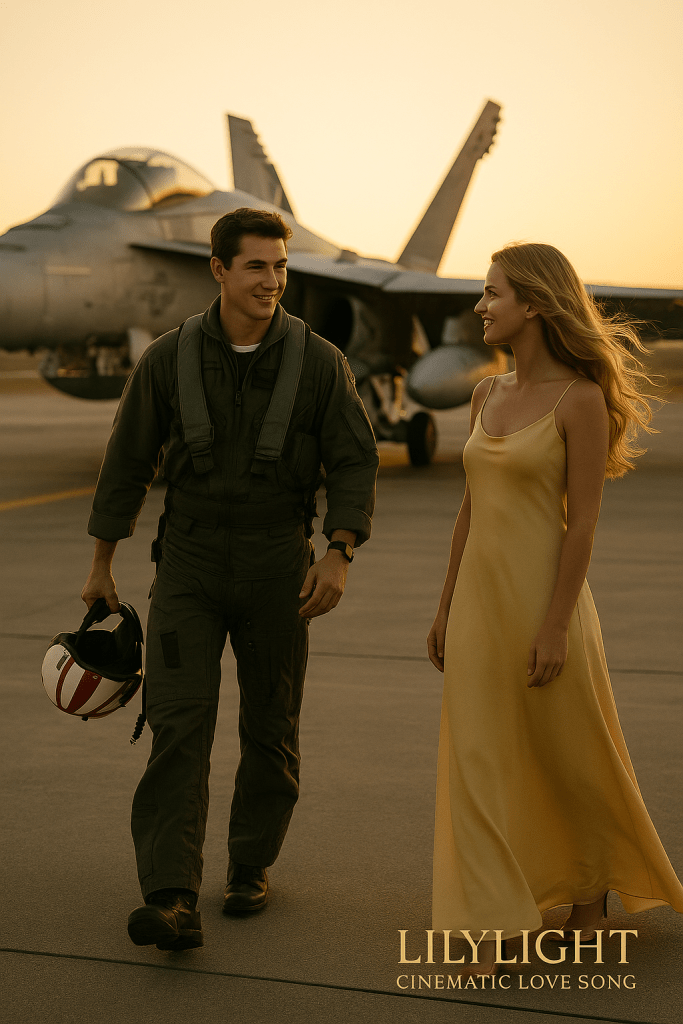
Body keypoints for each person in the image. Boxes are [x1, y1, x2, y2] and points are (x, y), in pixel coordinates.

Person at [81, 207, 379, 951]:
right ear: (217, 269)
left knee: (269, 726)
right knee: (177, 724)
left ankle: (250, 862)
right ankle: (172, 895)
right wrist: (100, 564)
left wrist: (339, 550)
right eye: (256, 266)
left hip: (280, 564)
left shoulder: (318, 362)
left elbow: (352, 461)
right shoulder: (167, 358)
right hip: (187, 563)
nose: (272, 281)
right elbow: (126, 464)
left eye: (280, 267)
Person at [427, 242, 683, 975]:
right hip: (479, 605)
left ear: (532, 304)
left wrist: (552, 625)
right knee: (478, 758)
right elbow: (469, 510)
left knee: (571, 755)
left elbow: (582, 523)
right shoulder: (483, 397)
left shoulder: (579, 401)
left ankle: (588, 895)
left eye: (491, 293)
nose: (480, 306)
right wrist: (444, 608)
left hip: (550, 606)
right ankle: (498, 923)